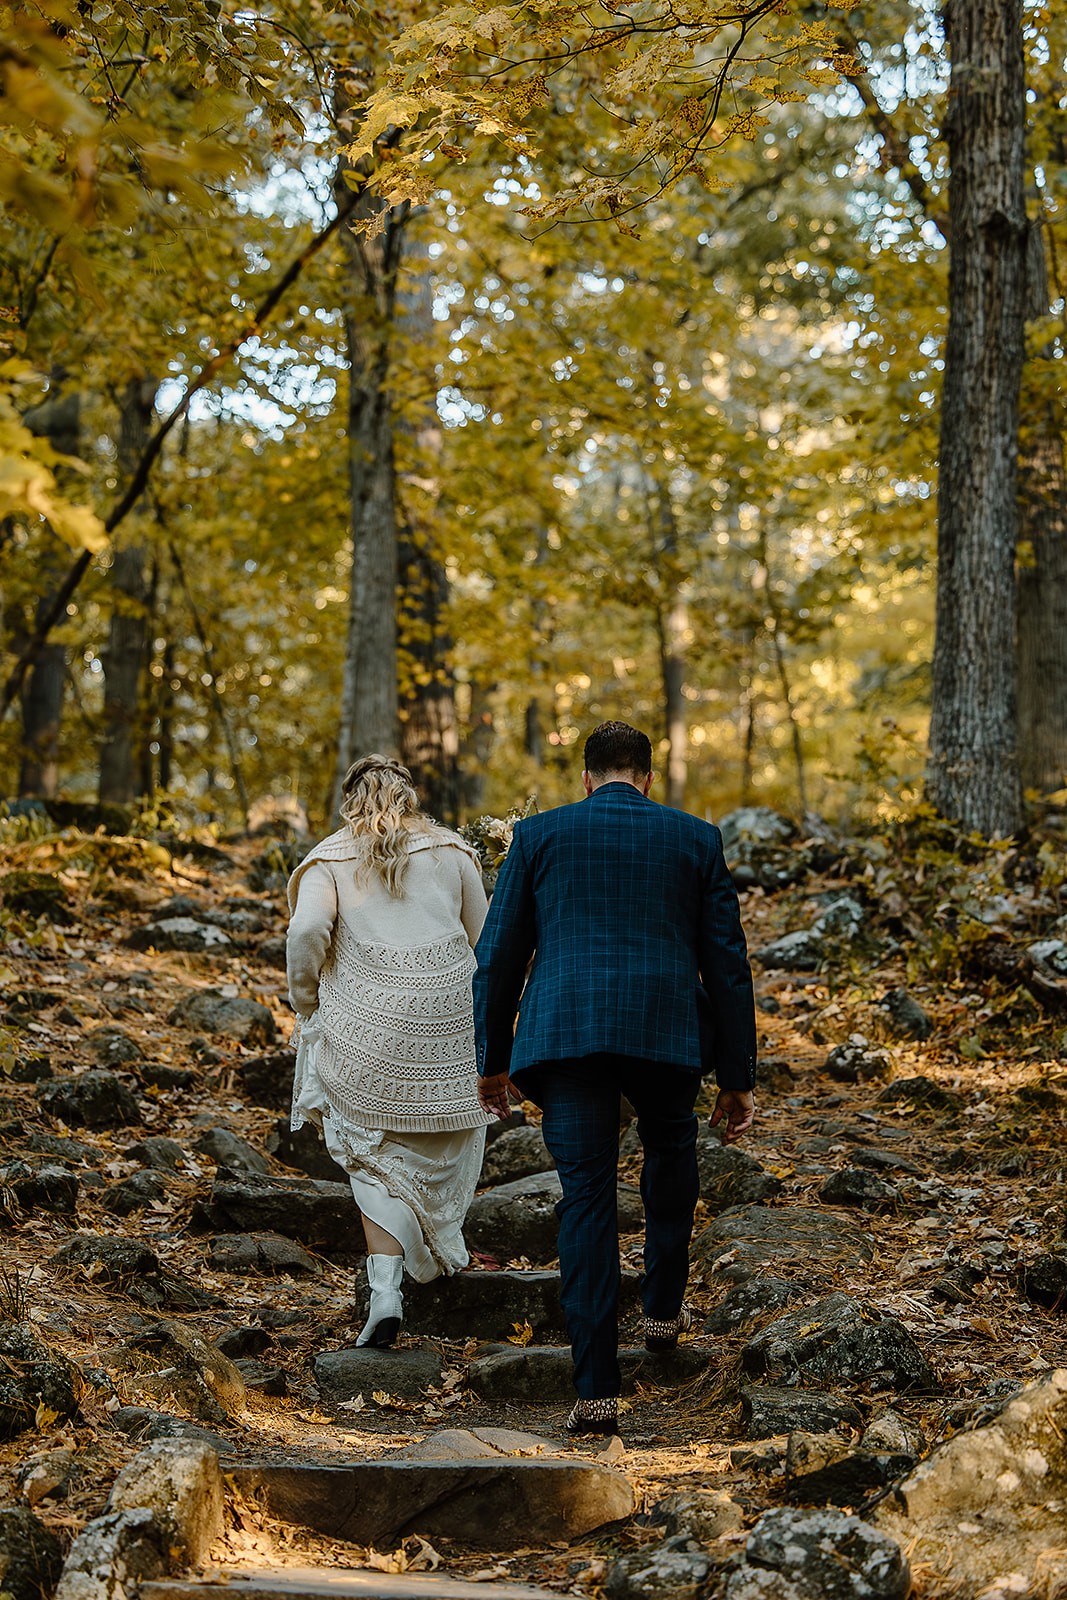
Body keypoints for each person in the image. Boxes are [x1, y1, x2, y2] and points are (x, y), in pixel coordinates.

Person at [473, 721, 757, 1436]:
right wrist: (735, 1074)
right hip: (665, 1031)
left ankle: (596, 1389)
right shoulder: (694, 838)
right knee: (670, 1156)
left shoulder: (537, 836)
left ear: (586, 777)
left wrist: (491, 1059)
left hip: (565, 1034)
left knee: (587, 1198)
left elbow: (498, 954)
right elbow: (725, 961)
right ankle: (662, 1311)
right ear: (648, 778)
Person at [286, 755, 490, 1348]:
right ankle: (411, 1266)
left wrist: (306, 1003)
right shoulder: (452, 853)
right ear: (411, 797)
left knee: (368, 1155)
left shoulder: (329, 859)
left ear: (349, 799)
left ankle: (385, 1294)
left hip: (368, 1027)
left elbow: (305, 933)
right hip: (446, 1026)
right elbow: (486, 939)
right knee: (425, 1146)